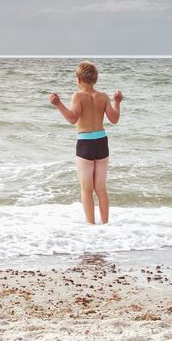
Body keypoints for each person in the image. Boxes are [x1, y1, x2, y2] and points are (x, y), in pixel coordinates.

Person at [48, 61, 122, 224]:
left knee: (86, 189)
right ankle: (105, 225)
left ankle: (91, 228)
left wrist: (58, 104)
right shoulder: (102, 96)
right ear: (95, 79)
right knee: (101, 188)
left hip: (85, 144)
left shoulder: (78, 96)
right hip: (102, 142)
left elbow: (72, 118)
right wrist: (117, 101)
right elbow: (114, 119)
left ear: (79, 79)